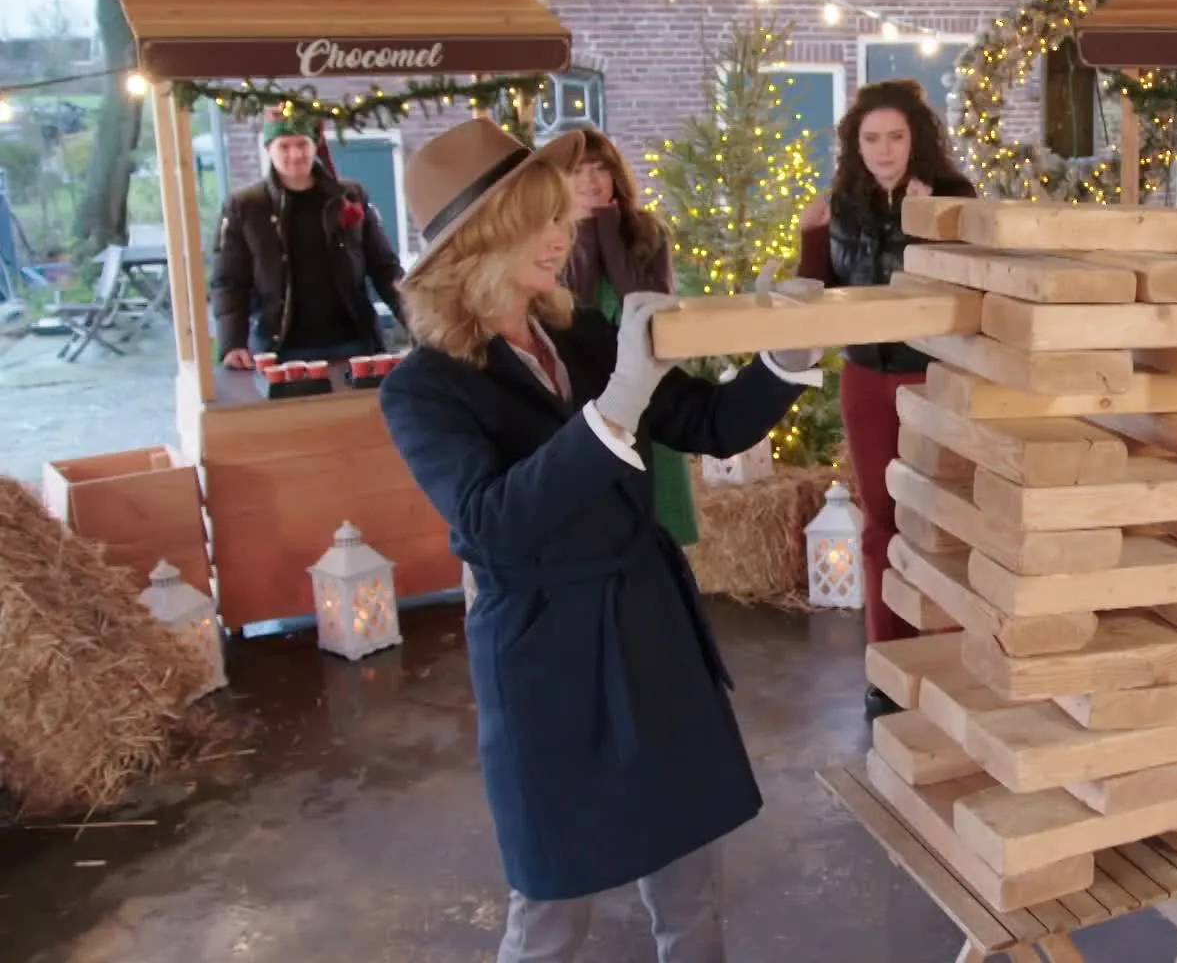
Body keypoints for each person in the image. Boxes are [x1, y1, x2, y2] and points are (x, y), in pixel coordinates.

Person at [378, 119, 825, 963]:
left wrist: (784, 355)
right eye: (538, 220)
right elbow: (493, 522)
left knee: (692, 886)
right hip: (548, 657)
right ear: (476, 242)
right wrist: (614, 404)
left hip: (648, 625)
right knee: (554, 900)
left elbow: (706, 422)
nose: (563, 234)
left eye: (561, 215)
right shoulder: (423, 388)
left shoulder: (580, 333)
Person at [795, 77, 977, 720]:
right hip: (866, 378)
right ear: (856, 144)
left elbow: (971, 291)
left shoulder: (955, 196)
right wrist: (810, 237)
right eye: (871, 138)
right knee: (881, 522)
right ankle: (887, 665)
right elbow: (813, 294)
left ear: (916, 138)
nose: (884, 149)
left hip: (936, 377)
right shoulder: (841, 202)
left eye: (895, 136)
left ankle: (950, 659)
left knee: (943, 519)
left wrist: (932, 226)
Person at [559, 126, 699, 547]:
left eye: (600, 168)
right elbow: (575, 313)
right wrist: (582, 231)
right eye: (578, 170)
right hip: (586, 397)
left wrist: (605, 226)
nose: (590, 180)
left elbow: (643, 300)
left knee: (660, 526)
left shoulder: (646, 232)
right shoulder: (549, 239)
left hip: (650, 391)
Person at [211, 112, 408, 368]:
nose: (295, 154)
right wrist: (232, 342)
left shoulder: (349, 195)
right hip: (280, 348)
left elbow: (384, 267)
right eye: (284, 146)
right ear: (269, 148)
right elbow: (229, 281)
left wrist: (417, 323)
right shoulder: (245, 206)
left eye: (302, 144)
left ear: (316, 145)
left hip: (354, 342)